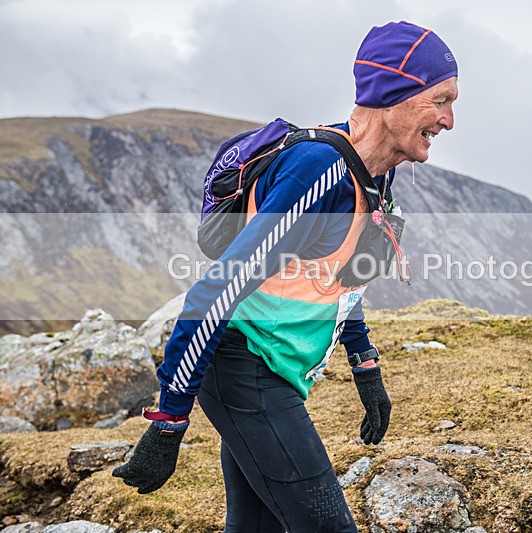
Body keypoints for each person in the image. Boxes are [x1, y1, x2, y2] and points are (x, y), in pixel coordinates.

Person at [113, 20, 458, 532]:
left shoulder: (374, 173)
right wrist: (168, 423)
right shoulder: (320, 172)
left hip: (275, 374)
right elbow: (215, 291)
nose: (449, 121)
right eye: (441, 100)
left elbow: (337, 278)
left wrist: (366, 366)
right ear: (394, 96)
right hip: (244, 370)